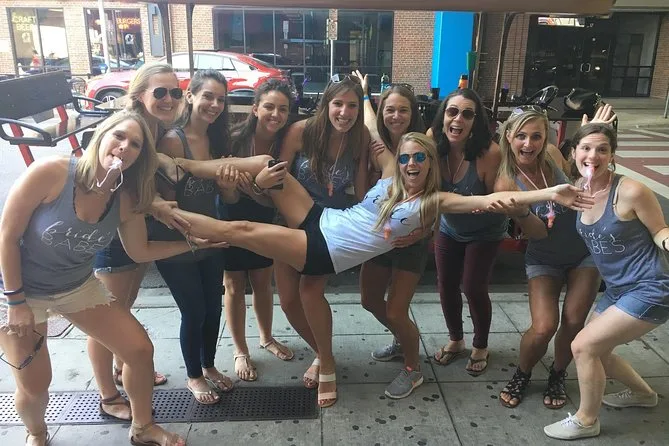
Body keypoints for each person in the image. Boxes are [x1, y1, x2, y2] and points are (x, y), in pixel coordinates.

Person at [171, 132, 592, 408]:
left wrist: (551, 192)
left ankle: (167, 214)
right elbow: (375, 132)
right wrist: (365, 94)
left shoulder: (433, 200)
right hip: (319, 218)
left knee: (242, 231)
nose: (410, 163)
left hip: (325, 249)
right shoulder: (392, 175)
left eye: (419, 158)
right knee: (267, 162)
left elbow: (492, 202)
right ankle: (182, 166)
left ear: (430, 164)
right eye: (406, 157)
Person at [0, 110, 222, 446]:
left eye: (135, 145)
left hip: (76, 286)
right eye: (119, 136)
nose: (124, 147)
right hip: (19, 288)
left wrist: (191, 243)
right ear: (101, 136)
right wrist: (16, 302)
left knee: (139, 350)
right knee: (35, 384)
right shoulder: (52, 173)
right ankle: (37, 433)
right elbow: (7, 236)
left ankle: (143, 428)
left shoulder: (126, 198)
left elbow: (140, 251)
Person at [543, 123, 669, 440]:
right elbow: (544, 156)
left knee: (583, 346)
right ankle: (643, 394)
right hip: (617, 289)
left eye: (602, 149)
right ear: (574, 152)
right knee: (600, 352)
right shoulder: (577, 188)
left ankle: (587, 420)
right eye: (586, 148)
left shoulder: (630, 191)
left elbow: (660, 230)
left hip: (651, 287)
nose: (593, 156)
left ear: (612, 155)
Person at [90, 62, 182, 420]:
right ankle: (108, 395)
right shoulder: (126, 127)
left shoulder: (157, 128)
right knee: (104, 318)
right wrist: (155, 202)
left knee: (123, 306)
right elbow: (112, 179)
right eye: (160, 92)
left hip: (136, 230)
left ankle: (123, 365)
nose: (168, 98)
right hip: (112, 232)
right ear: (139, 93)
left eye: (175, 92)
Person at [492, 108, 600, 410]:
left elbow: (580, 185)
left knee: (574, 320)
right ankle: (523, 372)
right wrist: (523, 211)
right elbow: (538, 233)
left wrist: (590, 143)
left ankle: (558, 373)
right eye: (521, 136)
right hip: (544, 256)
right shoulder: (506, 182)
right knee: (543, 326)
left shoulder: (552, 155)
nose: (529, 144)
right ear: (509, 137)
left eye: (536, 136)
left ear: (545, 138)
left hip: (583, 251)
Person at [272, 73, 369, 407]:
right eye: (338, 103)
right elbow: (278, 178)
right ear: (326, 104)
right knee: (288, 301)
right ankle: (322, 352)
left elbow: (361, 192)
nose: (345, 112)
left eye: (352, 105)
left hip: (330, 228)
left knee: (310, 292)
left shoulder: (360, 138)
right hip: (290, 222)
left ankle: (326, 363)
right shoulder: (301, 132)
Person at [152, 69, 233, 404]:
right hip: (175, 242)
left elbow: (227, 198)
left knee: (213, 307)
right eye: (208, 96)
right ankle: (194, 375)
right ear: (190, 96)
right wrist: (190, 237)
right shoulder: (173, 140)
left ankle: (209, 365)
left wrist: (228, 187)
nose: (214, 105)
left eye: (220, 99)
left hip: (211, 239)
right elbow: (164, 205)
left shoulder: (217, 140)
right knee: (194, 311)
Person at [354, 70, 431, 399]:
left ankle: (413, 368)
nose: (396, 115)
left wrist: (422, 232)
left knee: (398, 310)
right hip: (378, 238)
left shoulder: (422, 145)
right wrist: (364, 92)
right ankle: (402, 339)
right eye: (390, 109)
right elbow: (369, 116)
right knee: (370, 300)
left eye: (403, 109)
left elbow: (438, 198)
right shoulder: (376, 141)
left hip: (410, 239)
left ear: (413, 113)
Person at [219, 79, 295, 382]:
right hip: (231, 215)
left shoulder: (286, 144)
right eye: (269, 107)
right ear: (255, 109)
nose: (275, 114)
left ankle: (266, 337)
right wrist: (246, 189)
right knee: (233, 285)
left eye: (283, 109)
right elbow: (226, 193)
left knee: (263, 281)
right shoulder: (233, 140)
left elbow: (281, 194)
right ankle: (240, 350)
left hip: (266, 216)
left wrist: (254, 189)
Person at [427, 88, 506, 376]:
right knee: (445, 284)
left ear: (476, 121)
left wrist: (477, 206)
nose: (458, 119)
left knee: (473, 286)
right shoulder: (433, 142)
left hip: (485, 230)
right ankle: (456, 339)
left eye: (467, 114)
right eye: (452, 111)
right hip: (450, 227)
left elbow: (497, 200)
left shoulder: (489, 153)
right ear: (443, 116)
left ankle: (480, 345)